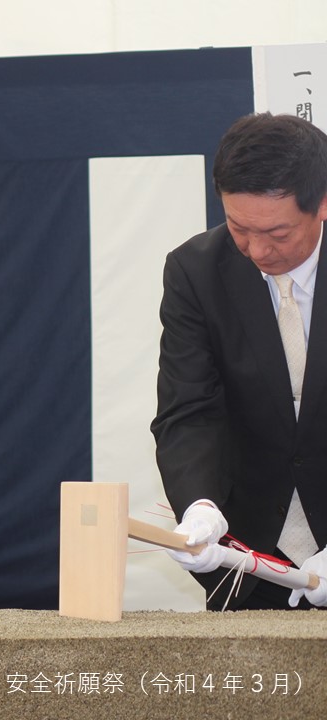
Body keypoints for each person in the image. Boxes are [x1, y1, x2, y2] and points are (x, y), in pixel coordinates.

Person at [152, 112, 327, 610]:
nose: (257, 250)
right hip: (248, 557)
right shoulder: (196, 271)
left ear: (322, 204)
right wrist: (200, 505)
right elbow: (188, 409)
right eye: (238, 227)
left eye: (277, 233)